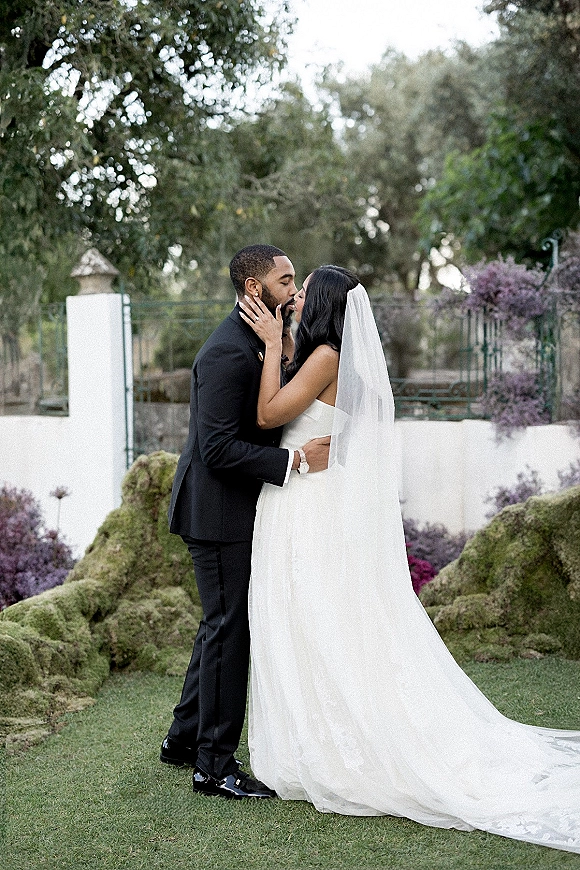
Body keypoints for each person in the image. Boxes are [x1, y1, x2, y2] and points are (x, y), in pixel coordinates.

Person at [239, 265, 580, 853]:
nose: (292, 297)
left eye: (302, 290)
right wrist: (283, 348)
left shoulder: (325, 355)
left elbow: (270, 416)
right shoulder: (322, 355)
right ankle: (312, 737)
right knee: (304, 624)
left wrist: (271, 346)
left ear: (320, 303)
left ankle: (333, 747)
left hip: (306, 508)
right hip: (299, 499)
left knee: (311, 623)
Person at [160, 244, 330, 800]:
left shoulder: (263, 340)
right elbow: (215, 449)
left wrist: (278, 348)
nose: (294, 290)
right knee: (230, 630)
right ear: (255, 289)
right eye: (285, 282)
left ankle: (184, 740)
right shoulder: (226, 352)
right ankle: (214, 766)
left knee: (219, 624)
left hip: (233, 508)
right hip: (216, 513)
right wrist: (295, 461)